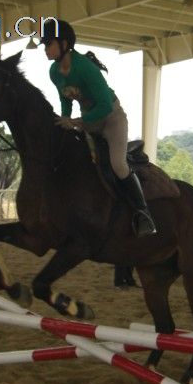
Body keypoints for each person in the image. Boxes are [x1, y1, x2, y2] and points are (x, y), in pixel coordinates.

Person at [39, 19, 157, 237]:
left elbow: (103, 105)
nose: (45, 49)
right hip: (88, 120)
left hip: (112, 118)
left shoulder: (85, 68)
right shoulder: (54, 72)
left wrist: (74, 122)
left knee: (118, 165)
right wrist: (65, 118)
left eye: (48, 44)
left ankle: (143, 214)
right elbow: (65, 98)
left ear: (64, 43)